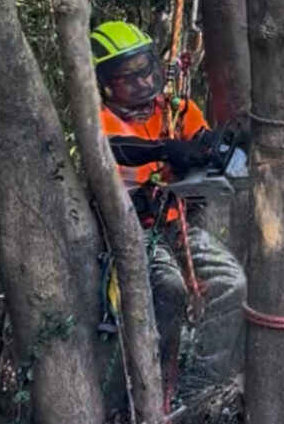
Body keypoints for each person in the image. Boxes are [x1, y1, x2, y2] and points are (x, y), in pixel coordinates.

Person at [90, 20, 246, 395]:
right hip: (136, 232)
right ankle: (154, 387)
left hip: (176, 224)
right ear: (108, 83)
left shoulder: (174, 109)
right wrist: (163, 150)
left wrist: (210, 149)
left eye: (146, 69)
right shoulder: (98, 120)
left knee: (231, 284)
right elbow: (114, 149)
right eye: (129, 77)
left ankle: (201, 383)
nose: (143, 82)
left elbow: (203, 141)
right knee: (169, 289)